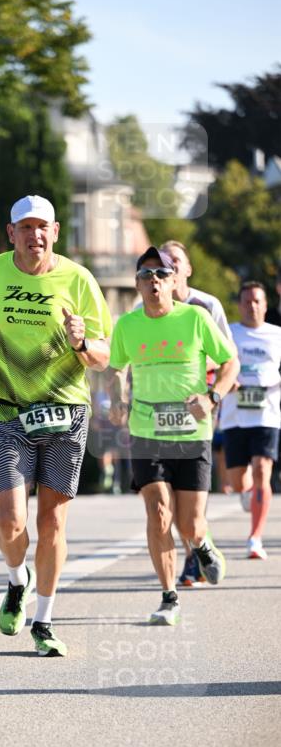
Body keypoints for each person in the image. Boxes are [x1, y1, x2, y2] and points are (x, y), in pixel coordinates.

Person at [0, 194, 112, 656]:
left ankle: (43, 620)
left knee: (53, 523)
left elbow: (103, 357)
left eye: (42, 227)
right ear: (11, 234)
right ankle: (15, 578)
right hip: (7, 412)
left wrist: (83, 343)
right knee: (9, 523)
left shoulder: (79, 280)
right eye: (25, 227)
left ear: (56, 232)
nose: (35, 235)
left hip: (66, 415)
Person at [109, 247, 239, 626]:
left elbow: (231, 362)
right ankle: (169, 597)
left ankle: (201, 543)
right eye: (146, 276)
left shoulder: (196, 318)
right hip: (146, 432)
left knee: (189, 524)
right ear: (136, 284)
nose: (154, 283)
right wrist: (119, 399)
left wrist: (212, 397)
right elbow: (116, 367)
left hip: (192, 434)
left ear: (174, 282)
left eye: (161, 276)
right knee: (158, 512)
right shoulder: (128, 325)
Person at [159, 240, 237, 586]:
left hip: (199, 403)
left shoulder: (207, 304)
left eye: (176, 260)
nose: (170, 266)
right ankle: (197, 546)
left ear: (188, 269)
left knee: (189, 483)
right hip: (161, 406)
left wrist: (212, 388)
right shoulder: (150, 304)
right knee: (170, 490)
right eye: (164, 261)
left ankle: (193, 555)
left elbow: (228, 356)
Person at [220, 282, 281, 560]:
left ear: (265, 305)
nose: (252, 306)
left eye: (257, 301)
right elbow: (211, 366)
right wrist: (224, 382)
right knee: (239, 479)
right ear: (239, 304)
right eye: (246, 301)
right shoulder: (229, 334)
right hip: (234, 417)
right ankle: (248, 495)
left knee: (261, 470)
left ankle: (255, 537)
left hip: (267, 415)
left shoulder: (277, 335)